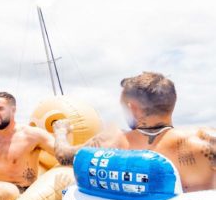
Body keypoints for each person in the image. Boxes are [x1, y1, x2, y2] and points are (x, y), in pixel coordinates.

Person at [54, 72, 215, 192]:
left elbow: (65, 156)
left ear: (133, 108)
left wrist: (60, 131)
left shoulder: (112, 140)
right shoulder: (205, 140)